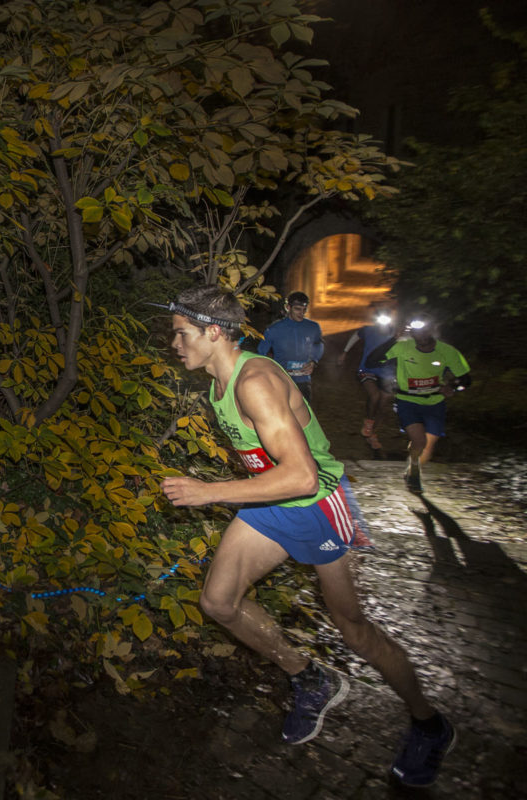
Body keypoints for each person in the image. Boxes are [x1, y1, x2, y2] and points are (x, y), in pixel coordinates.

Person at [157, 286, 454, 788]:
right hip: (270, 505)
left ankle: (429, 723)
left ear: (214, 333)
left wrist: (210, 492)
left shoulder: (254, 382)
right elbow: (267, 464)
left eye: (182, 334)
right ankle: (310, 677)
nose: (174, 344)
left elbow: (303, 477)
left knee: (354, 629)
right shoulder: (217, 380)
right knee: (219, 602)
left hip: (317, 505)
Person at [366, 312, 471, 494]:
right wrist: (393, 339)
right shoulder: (403, 347)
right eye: (415, 332)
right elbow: (372, 361)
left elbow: (466, 380)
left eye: (424, 331)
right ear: (411, 333)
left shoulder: (447, 351)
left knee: (428, 444)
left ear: (432, 330)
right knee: (419, 440)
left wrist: (453, 389)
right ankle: (414, 471)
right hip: (407, 401)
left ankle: (413, 464)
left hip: (435, 403)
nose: (420, 336)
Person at [336, 301, 397, 455]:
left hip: (386, 371)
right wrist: (345, 352)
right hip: (367, 369)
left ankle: (374, 434)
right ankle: (368, 422)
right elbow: (355, 336)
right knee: (374, 395)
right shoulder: (368, 330)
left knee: (384, 401)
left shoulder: (395, 333)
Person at [257, 291, 324, 403]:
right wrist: (268, 372)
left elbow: (319, 344)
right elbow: (260, 353)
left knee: (304, 416)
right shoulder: (274, 329)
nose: (301, 313)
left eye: (304, 309)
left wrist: (313, 361)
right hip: (281, 380)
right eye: (297, 309)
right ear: (288, 307)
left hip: (303, 380)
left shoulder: (313, 327)